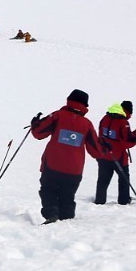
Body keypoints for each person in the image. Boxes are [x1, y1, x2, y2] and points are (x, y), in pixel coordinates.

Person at [29, 89, 104, 223]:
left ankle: (51, 213)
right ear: (85, 106)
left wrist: (34, 123)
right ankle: (66, 221)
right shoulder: (87, 124)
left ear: (69, 100)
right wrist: (104, 146)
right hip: (74, 170)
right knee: (68, 196)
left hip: (53, 165)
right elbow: (96, 152)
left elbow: (38, 133)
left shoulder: (58, 116)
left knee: (48, 191)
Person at [93, 101, 134, 205]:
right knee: (124, 179)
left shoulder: (105, 118)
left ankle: (99, 200)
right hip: (118, 157)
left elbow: (101, 136)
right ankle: (124, 201)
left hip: (103, 154)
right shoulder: (123, 122)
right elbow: (127, 143)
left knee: (102, 180)